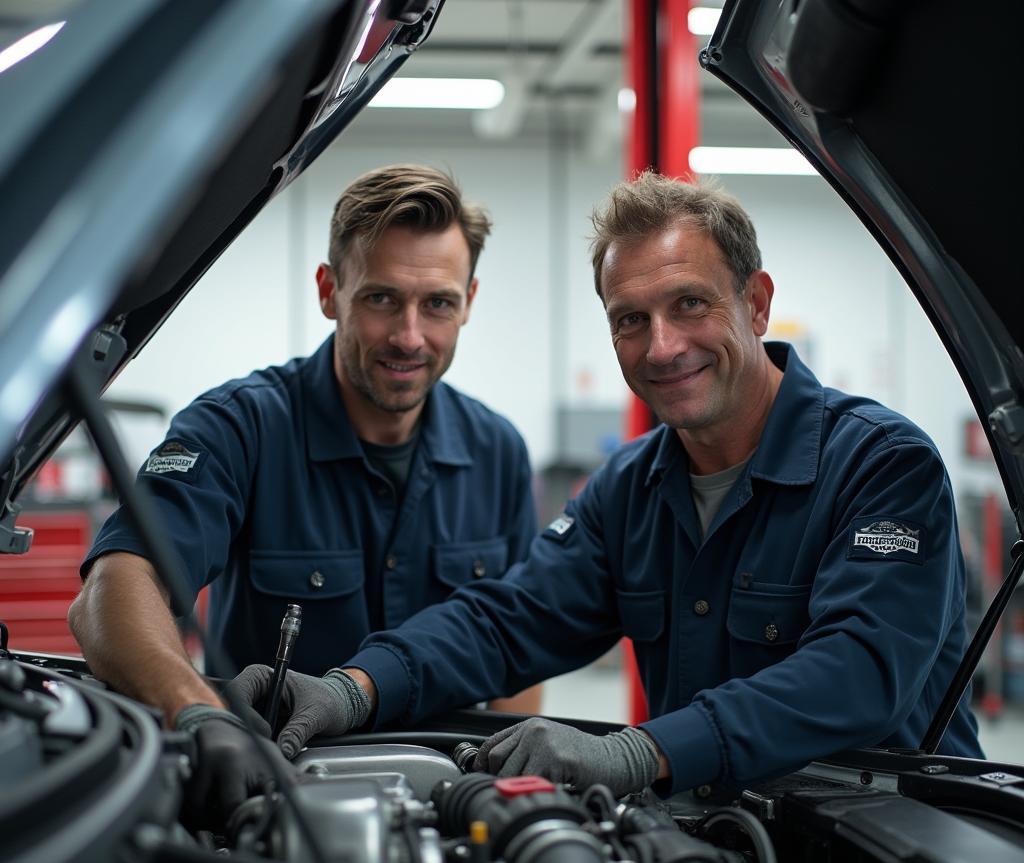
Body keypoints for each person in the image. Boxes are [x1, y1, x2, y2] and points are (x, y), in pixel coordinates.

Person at [229, 171, 984, 797]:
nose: (663, 346)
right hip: (719, 842)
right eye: (630, 319)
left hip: (897, 855)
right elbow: (506, 620)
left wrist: (636, 754)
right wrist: (351, 689)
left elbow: (856, 676)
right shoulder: (631, 487)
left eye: (690, 303)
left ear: (755, 304)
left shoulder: (883, 466)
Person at [69, 164, 542, 821]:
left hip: (447, 801)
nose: (410, 336)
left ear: (469, 300)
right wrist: (198, 713)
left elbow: (521, 646)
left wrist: (502, 786)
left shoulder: (499, 452)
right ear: (330, 291)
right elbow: (115, 588)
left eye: (437, 303)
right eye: (380, 299)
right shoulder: (239, 427)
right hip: (272, 797)